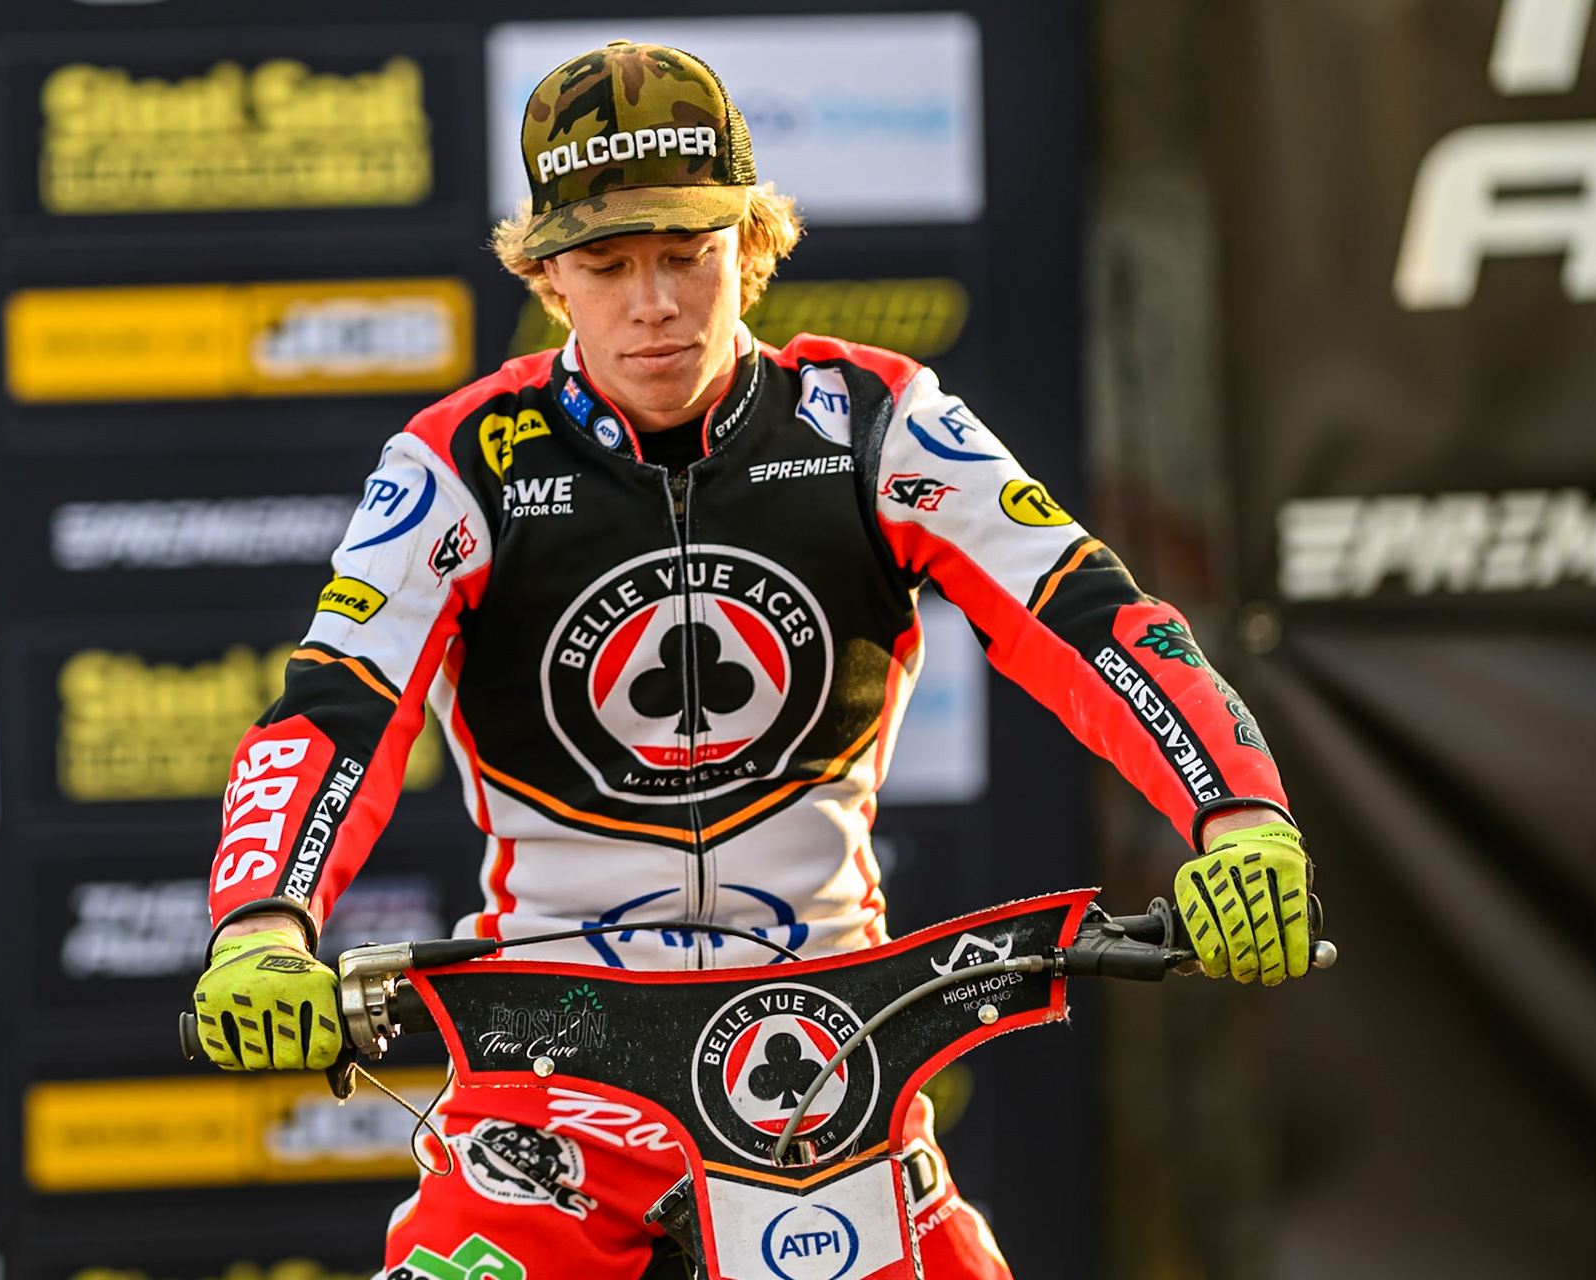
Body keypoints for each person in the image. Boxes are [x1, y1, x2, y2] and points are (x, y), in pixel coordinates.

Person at [190, 40, 1311, 1280]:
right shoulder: (460, 459)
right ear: (550, 277)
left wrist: (1238, 812)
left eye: (688, 254)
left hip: (830, 1046)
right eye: (609, 265)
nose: (654, 303)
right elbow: (337, 707)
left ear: (753, 250)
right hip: (553, 1073)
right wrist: (262, 919)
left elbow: (1092, 615)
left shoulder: (879, 422)